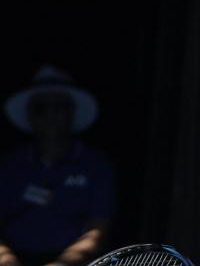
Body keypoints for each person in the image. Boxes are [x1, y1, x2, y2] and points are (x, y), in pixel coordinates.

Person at [0, 65, 116, 266]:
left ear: (72, 112)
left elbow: (97, 231)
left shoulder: (96, 166)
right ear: (30, 115)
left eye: (59, 107)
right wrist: (7, 260)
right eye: (41, 108)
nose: (50, 115)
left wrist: (62, 264)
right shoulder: (9, 166)